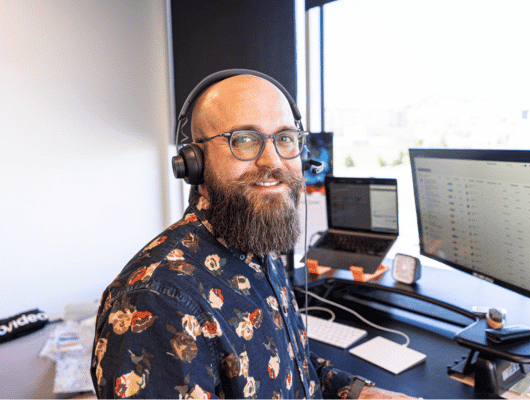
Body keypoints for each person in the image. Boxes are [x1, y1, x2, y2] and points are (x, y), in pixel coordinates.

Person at [91, 71, 412, 399]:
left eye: (285, 138)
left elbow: (286, 368)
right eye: (243, 139)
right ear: (195, 161)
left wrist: (357, 392)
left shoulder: (256, 241)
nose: (273, 161)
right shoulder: (158, 303)